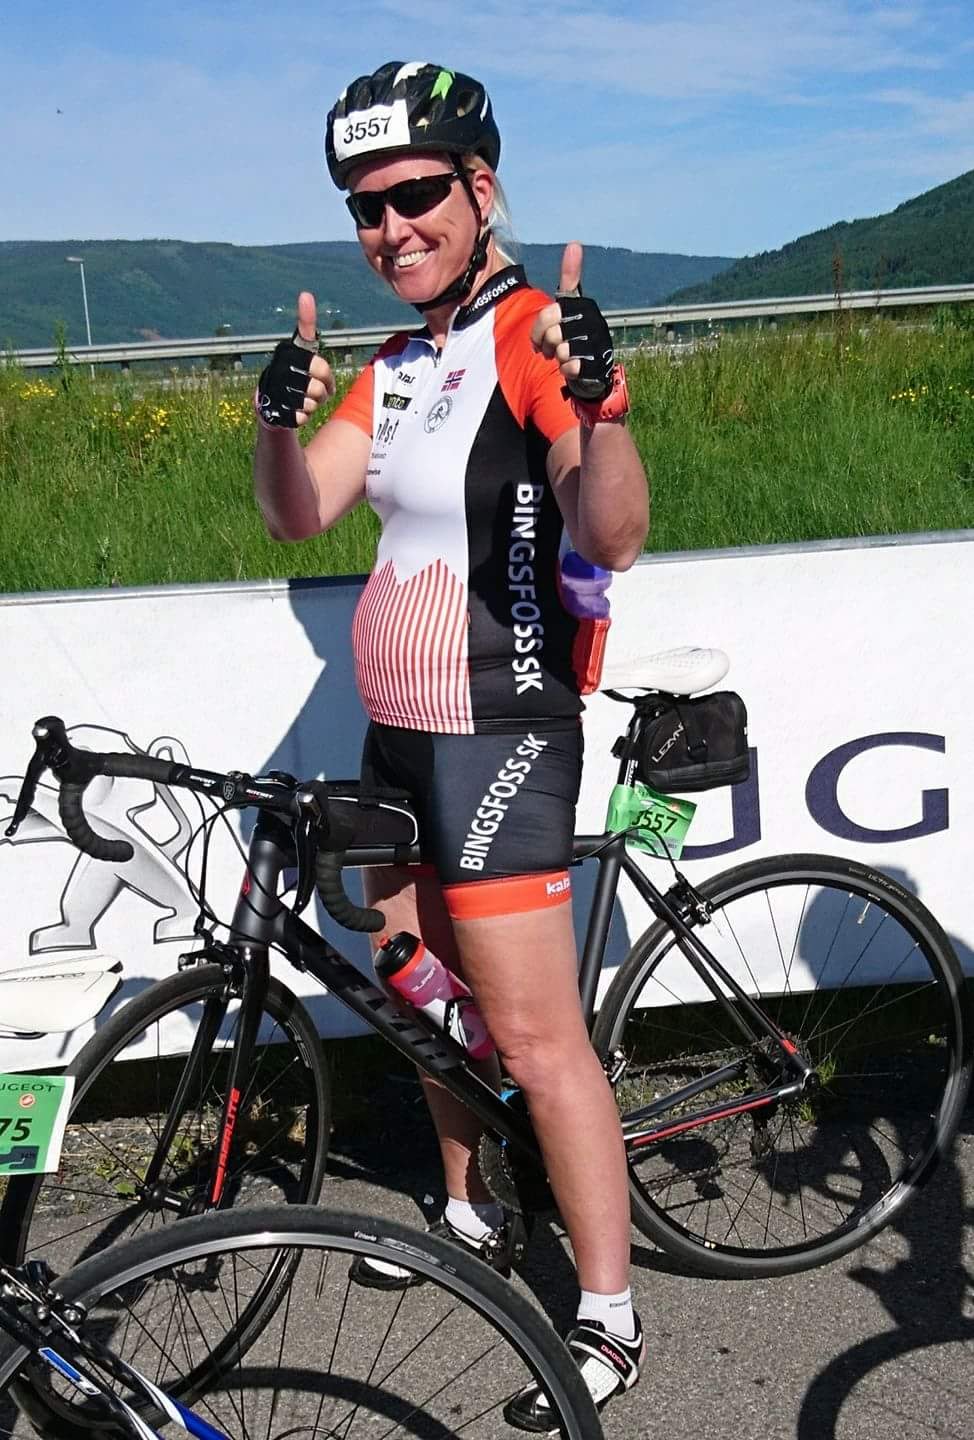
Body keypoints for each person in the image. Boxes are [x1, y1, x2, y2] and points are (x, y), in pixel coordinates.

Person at [253, 60, 650, 1427]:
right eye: (365, 207)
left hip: (501, 728)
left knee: (533, 1036)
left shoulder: (533, 336)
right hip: (400, 734)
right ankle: (472, 1209)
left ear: (482, 189)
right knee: (416, 990)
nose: (390, 228)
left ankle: (607, 1309)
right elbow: (299, 514)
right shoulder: (399, 364)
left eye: (415, 194)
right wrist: (275, 425)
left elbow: (610, 534)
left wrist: (600, 408)